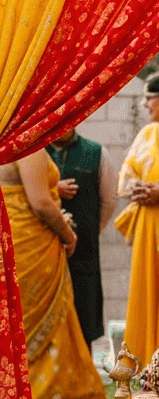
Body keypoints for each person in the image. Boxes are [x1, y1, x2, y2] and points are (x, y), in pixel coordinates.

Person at [0, 149, 110, 399]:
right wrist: (68, 233)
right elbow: (41, 204)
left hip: (14, 241)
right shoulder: (28, 146)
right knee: (34, 323)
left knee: (16, 326)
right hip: (30, 245)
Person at [116, 71, 159, 368]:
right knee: (146, 294)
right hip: (150, 224)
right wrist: (139, 188)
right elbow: (126, 175)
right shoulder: (148, 134)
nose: (145, 104)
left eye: (150, 98)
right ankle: (146, 363)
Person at [46, 128, 118, 346]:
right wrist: (51, 188)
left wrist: (89, 230)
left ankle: (84, 371)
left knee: (83, 310)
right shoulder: (34, 151)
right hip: (42, 247)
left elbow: (109, 200)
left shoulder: (96, 152)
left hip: (83, 248)